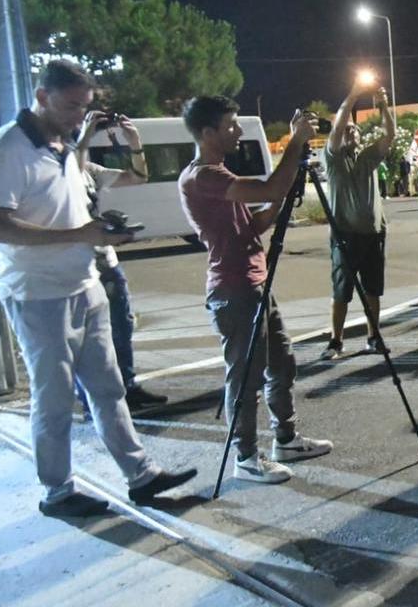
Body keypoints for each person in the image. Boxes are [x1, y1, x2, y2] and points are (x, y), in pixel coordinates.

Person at [0, 60, 195, 516]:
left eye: (86, 107)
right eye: (73, 106)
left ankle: (140, 475)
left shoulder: (65, 146)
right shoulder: (8, 147)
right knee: (54, 397)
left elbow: (86, 200)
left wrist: (94, 233)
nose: (81, 117)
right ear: (41, 97)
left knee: (109, 388)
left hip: (85, 283)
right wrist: (81, 236)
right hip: (37, 294)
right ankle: (57, 492)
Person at [179, 96, 332, 484]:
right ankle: (246, 457)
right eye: (231, 125)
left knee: (282, 363)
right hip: (233, 290)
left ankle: (287, 439)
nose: (239, 131)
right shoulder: (203, 177)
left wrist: (284, 195)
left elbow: (255, 224)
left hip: (255, 282)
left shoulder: (219, 174)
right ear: (208, 132)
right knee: (246, 376)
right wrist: (296, 142)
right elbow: (268, 185)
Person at [73, 112, 168, 413]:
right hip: (78, 266)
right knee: (86, 336)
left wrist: (134, 142)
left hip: (107, 262)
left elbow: (138, 176)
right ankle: (90, 398)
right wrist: (86, 134)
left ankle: (128, 386)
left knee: (121, 326)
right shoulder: (58, 170)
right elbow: (69, 169)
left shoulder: (90, 170)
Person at [318, 80, 395, 360]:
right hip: (345, 237)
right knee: (342, 293)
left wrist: (383, 104)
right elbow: (337, 128)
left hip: (373, 235)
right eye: (347, 130)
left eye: (356, 130)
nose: (351, 132)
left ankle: (373, 337)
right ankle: (335, 342)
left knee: (373, 291)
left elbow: (390, 134)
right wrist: (353, 95)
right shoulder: (333, 159)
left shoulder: (367, 158)